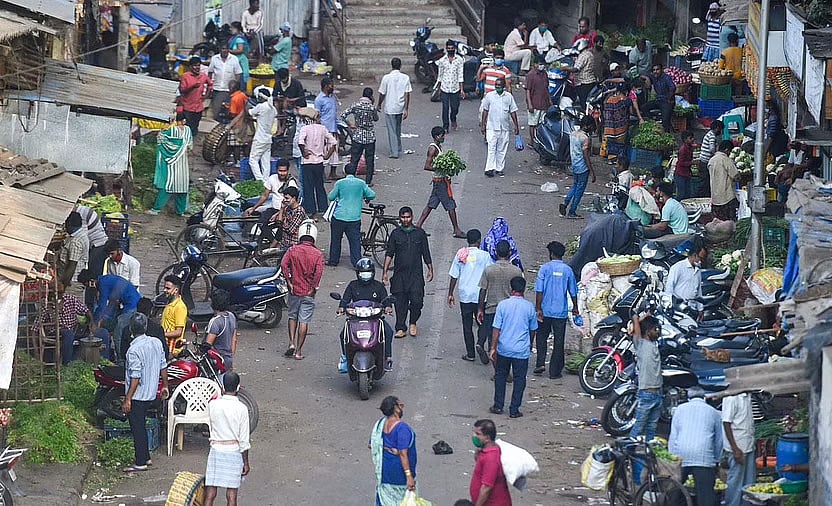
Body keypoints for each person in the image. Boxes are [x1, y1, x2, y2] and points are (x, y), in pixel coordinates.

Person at [122, 313, 168, 473]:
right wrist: (165, 385)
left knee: (138, 428)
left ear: (130, 329)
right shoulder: (156, 342)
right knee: (141, 426)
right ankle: (146, 456)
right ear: (146, 327)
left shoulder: (133, 350)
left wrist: (128, 398)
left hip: (138, 396)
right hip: (152, 393)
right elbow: (163, 365)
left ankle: (141, 461)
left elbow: (135, 376)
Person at [489, 276, 537, 418]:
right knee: (519, 379)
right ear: (523, 290)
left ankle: (498, 405)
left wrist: (493, 347)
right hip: (521, 350)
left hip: (504, 348)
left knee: (500, 376)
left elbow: (496, 329)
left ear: (511, 288)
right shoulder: (529, 307)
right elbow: (533, 329)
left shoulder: (503, 305)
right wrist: (529, 343)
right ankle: (514, 409)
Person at [383, 206, 433, 338]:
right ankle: (400, 327)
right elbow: (389, 253)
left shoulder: (420, 234)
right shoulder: (395, 234)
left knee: (417, 301)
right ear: (400, 218)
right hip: (400, 275)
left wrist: (430, 269)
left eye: (408, 217)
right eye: (403, 217)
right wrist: (385, 271)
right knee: (400, 303)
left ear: (412, 217)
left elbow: (426, 252)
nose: (406, 220)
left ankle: (413, 322)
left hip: (416, 275)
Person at [337, 258, 395, 372]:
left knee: (388, 332)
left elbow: (385, 300)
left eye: (368, 272)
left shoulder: (378, 286)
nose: (365, 275)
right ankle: (345, 359)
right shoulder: (352, 285)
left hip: (375, 318)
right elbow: (345, 299)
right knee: (343, 334)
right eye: (363, 273)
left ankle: (387, 358)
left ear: (373, 273)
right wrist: (341, 308)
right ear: (358, 273)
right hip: (355, 319)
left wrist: (388, 307)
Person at [669, 386, 723, 506]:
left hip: (681, 456)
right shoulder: (713, 412)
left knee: (676, 493)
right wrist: (716, 460)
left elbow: (673, 436)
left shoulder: (679, 410)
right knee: (706, 497)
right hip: (704, 457)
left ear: (688, 398)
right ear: (704, 398)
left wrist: (672, 459)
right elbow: (719, 440)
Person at [204, 372, 251, 506]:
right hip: (233, 453)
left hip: (216, 451)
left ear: (223, 387)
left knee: (210, 493)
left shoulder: (213, 405)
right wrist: (246, 462)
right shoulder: (242, 409)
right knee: (231, 496)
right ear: (237, 388)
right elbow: (244, 440)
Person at [280, 219, 324, 360]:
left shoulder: (292, 250)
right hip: (308, 292)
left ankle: (291, 343)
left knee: (292, 316)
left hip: (294, 289)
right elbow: (318, 273)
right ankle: (298, 352)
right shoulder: (317, 254)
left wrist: (289, 281)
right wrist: (314, 287)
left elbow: (283, 264)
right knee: (304, 321)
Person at [534, 241, 578, 378]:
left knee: (541, 336)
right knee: (559, 341)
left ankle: (540, 363)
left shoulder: (544, 269)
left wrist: (538, 308)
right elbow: (573, 291)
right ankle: (554, 372)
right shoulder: (567, 270)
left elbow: (539, 290)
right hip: (560, 312)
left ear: (551, 254)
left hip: (545, 309)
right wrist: (576, 307)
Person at [449, 229, 494, 362]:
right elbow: (490, 273)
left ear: (468, 240)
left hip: (465, 295)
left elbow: (454, 275)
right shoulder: (485, 256)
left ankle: (470, 354)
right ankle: (481, 342)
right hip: (481, 295)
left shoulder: (461, 253)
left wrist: (450, 293)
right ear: (479, 241)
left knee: (467, 325)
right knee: (483, 323)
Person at [35, 282, 108, 364]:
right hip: (57, 333)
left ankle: (104, 361)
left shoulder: (70, 299)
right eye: (54, 293)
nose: (57, 295)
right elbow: (35, 327)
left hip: (75, 330)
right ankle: (67, 364)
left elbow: (86, 311)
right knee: (68, 334)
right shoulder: (46, 305)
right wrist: (36, 352)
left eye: (60, 293)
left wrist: (91, 322)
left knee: (103, 332)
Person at [477, 240, 522, 365]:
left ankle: (497, 368)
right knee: (507, 339)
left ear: (495, 252)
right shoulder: (516, 271)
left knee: (493, 338)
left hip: (492, 308)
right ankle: (504, 368)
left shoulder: (489, 270)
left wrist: (480, 309)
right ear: (510, 253)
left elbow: (483, 290)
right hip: (510, 310)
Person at [629, 312, 662, 482]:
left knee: (650, 434)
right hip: (647, 394)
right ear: (648, 331)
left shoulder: (654, 344)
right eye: (655, 329)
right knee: (637, 434)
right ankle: (635, 474)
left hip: (657, 394)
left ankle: (648, 474)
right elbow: (634, 326)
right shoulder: (640, 344)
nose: (658, 331)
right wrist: (640, 319)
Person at [416, 127, 466, 237]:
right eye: (442, 135)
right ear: (437, 136)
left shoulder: (438, 147)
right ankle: (456, 230)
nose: (443, 137)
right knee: (450, 205)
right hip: (440, 182)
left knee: (431, 205)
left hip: (440, 181)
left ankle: (418, 226)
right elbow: (427, 166)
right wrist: (441, 169)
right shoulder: (433, 149)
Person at [79, 270, 141, 359]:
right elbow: (111, 303)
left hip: (131, 303)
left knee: (118, 332)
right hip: (125, 303)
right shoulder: (105, 280)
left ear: (92, 281)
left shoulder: (103, 284)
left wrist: (94, 321)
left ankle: (121, 358)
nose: (87, 288)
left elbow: (102, 306)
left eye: (86, 285)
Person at [370, 396, 417, 505]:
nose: (402, 408)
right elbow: (403, 454)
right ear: (395, 408)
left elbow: (371, 444)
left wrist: (386, 448)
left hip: (384, 474)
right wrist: (409, 476)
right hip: (399, 475)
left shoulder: (380, 425)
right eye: (401, 406)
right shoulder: (402, 428)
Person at [328, 162, 376, 267]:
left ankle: (333, 260)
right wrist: (363, 196)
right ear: (355, 172)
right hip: (354, 218)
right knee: (355, 242)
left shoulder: (340, 183)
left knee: (335, 239)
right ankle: (357, 263)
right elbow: (372, 195)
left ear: (345, 172)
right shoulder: (361, 183)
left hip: (339, 216)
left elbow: (331, 197)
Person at [244, 158, 299, 241]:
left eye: (284, 171)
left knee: (281, 226)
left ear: (287, 171)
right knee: (262, 223)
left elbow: (291, 204)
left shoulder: (291, 183)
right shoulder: (272, 178)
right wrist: (253, 208)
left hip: (286, 211)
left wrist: (278, 214)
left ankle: (275, 244)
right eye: (280, 171)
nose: (282, 173)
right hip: (273, 208)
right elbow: (265, 196)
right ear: (277, 170)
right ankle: (272, 242)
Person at [147, 117, 192, 216]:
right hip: (183, 162)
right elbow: (190, 146)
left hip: (170, 163)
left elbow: (160, 138)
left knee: (167, 186)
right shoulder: (188, 130)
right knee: (182, 188)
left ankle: (156, 209)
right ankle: (180, 211)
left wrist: (163, 130)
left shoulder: (171, 130)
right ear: (184, 120)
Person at [297, 109, 338, 217]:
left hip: (307, 162)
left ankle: (311, 211)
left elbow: (300, 142)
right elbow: (333, 142)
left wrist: (303, 152)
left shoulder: (304, 129)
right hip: (319, 162)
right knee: (319, 186)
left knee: (308, 187)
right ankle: (323, 208)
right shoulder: (323, 129)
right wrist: (327, 156)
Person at [481, 77, 520, 178]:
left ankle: (499, 168)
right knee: (491, 147)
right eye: (496, 85)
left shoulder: (509, 97)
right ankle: (489, 168)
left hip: (504, 127)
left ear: (503, 87)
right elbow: (485, 110)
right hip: (492, 127)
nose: (497, 87)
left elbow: (513, 111)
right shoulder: (489, 96)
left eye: (499, 86)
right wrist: (483, 124)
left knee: (502, 149)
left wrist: (516, 125)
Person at [722, 392, 756, 506]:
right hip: (738, 447)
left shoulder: (747, 396)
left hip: (748, 445)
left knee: (749, 482)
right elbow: (726, 423)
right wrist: (735, 449)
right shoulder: (731, 398)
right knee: (735, 482)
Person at [341, 87, 379, 185]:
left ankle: (351, 177)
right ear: (371, 96)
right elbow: (376, 119)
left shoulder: (356, 105)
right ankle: (368, 181)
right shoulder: (371, 108)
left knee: (354, 159)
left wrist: (350, 124)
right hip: (369, 137)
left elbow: (343, 115)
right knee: (369, 160)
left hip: (358, 135)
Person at [560, 116, 597, 219]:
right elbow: (586, 156)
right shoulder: (585, 138)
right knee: (579, 191)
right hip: (582, 168)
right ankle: (572, 211)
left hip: (574, 165)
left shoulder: (573, 134)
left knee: (574, 186)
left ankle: (565, 202)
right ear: (587, 126)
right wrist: (592, 171)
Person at [470, 419, 511, 505]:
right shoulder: (487, 451)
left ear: (487, 438)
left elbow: (487, 487)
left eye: (478, 434)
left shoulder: (491, 458)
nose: (474, 436)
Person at [377, 58, 412, 159]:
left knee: (391, 130)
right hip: (400, 107)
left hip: (390, 107)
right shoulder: (405, 78)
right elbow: (407, 94)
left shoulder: (386, 78)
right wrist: (406, 109)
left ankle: (394, 152)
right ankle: (398, 147)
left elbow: (382, 93)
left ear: (391, 65)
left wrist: (379, 104)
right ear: (400, 66)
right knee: (397, 128)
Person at [120, 297, 167, 361]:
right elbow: (165, 352)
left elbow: (123, 354)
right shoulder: (158, 329)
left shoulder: (126, 329)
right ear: (151, 311)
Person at [602, 82, 639, 163]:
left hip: (608, 128)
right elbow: (631, 112)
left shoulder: (609, 99)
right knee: (621, 145)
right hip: (621, 129)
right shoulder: (627, 101)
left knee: (611, 144)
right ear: (626, 91)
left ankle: (611, 159)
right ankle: (619, 160)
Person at [247, 87, 277, 182]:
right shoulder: (273, 109)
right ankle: (266, 181)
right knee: (265, 162)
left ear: (261, 97)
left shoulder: (261, 106)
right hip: (268, 139)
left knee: (253, 160)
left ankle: (260, 181)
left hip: (260, 138)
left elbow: (250, 112)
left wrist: (246, 105)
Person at [179, 56, 213, 138]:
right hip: (188, 107)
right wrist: (192, 87)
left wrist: (206, 95)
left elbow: (210, 85)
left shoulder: (203, 76)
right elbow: (182, 90)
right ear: (190, 67)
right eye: (195, 65)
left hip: (198, 107)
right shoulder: (185, 76)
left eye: (198, 65)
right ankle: (187, 143)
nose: (197, 67)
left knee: (195, 126)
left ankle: (192, 144)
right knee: (188, 127)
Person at [436, 40, 466, 132]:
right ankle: (445, 126)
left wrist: (461, 89)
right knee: (445, 107)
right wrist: (439, 88)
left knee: (455, 107)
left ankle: (453, 118)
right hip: (445, 87)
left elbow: (460, 75)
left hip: (455, 88)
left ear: (455, 49)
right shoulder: (442, 61)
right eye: (448, 48)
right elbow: (440, 75)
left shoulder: (459, 60)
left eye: (452, 48)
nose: (450, 50)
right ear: (446, 49)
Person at [314, 77, 340, 180]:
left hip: (333, 128)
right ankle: (322, 174)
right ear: (325, 86)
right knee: (324, 151)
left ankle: (332, 173)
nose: (332, 87)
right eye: (331, 85)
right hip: (324, 129)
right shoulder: (319, 99)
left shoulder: (332, 97)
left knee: (334, 150)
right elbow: (317, 115)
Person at [665, 240, 706, 304]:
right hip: (679, 305)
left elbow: (699, 292)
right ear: (694, 255)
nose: (701, 261)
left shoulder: (697, 271)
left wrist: (700, 308)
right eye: (700, 258)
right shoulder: (677, 267)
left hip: (692, 306)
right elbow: (669, 287)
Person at [207, 46, 242, 122]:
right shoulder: (214, 59)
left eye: (226, 49)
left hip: (229, 90)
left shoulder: (234, 59)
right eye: (223, 48)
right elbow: (210, 72)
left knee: (228, 112)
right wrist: (209, 85)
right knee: (216, 112)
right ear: (220, 50)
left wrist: (236, 87)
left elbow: (238, 73)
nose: (224, 50)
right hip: (217, 89)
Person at [205, 289, 238, 370]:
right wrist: (230, 355)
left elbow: (207, 345)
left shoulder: (215, 321)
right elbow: (234, 339)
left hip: (217, 360)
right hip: (228, 359)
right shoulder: (231, 316)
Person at [75, 205, 109, 283]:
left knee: (93, 275)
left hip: (98, 244)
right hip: (95, 243)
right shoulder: (81, 210)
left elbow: (82, 236)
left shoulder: (81, 213)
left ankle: (91, 294)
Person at [709, 141, 740, 221]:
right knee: (729, 222)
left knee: (717, 221)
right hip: (727, 197)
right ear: (726, 150)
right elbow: (735, 175)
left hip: (715, 196)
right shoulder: (726, 160)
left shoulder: (711, 160)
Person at [524, 55, 551, 145]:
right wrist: (530, 104)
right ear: (535, 64)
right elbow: (528, 91)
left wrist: (550, 102)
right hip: (534, 104)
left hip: (544, 103)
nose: (541, 66)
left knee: (541, 124)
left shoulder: (544, 74)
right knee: (533, 124)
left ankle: (539, 141)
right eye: (540, 64)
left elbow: (546, 89)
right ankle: (532, 141)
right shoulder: (530, 75)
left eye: (542, 64)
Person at [58, 212, 89, 289]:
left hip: (72, 280)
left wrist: (63, 284)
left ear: (69, 224)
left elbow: (72, 265)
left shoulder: (75, 241)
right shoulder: (82, 234)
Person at [642, 63, 675, 132]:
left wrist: (669, 98)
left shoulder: (666, 77)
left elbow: (672, 88)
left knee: (665, 119)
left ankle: (666, 134)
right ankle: (652, 122)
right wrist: (647, 78)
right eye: (654, 70)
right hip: (658, 100)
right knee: (644, 107)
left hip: (667, 101)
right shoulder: (653, 76)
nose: (655, 71)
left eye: (657, 69)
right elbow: (642, 75)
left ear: (661, 70)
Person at [160, 275, 187, 356]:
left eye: (168, 288)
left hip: (172, 350)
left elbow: (178, 332)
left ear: (176, 290)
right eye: (164, 287)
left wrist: (161, 334)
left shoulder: (180, 307)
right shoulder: (169, 303)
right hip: (165, 346)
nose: (165, 290)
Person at [564, 38, 596, 106]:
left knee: (583, 102)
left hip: (583, 82)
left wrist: (564, 68)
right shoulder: (590, 54)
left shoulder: (583, 55)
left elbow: (576, 69)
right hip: (590, 81)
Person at [226, 81, 251, 162]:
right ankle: (247, 160)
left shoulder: (234, 99)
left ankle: (237, 161)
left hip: (236, 124)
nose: (229, 89)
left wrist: (228, 112)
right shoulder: (243, 95)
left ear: (234, 88)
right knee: (245, 143)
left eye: (230, 88)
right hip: (245, 123)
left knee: (236, 145)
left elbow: (233, 114)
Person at [699, 120, 723, 196]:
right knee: (705, 181)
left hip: (703, 161)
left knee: (705, 180)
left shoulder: (709, 134)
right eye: (720, 129)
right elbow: (712, 148)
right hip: (705, 162)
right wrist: (717, 155)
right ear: (717, 128)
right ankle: (703, 196)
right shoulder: (712, 136)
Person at [228, 22, 250, 90]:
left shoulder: (239, 39)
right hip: (236, 60)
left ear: (237, 29)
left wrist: (229, 51)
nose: (230, 29)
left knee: (240, 77)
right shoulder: (234, 38)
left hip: (241, 61)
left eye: (232, 28)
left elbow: (240, 50)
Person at [675, 131, 695, 201]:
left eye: (692, 138)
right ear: (685, 140)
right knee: (681, 194)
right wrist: (692, 163)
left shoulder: (690, 147)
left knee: (688, 193)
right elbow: (681, 163)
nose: (692, 139)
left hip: (687, 173)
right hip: (681, 174)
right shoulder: (683, 150)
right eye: (690, 138)